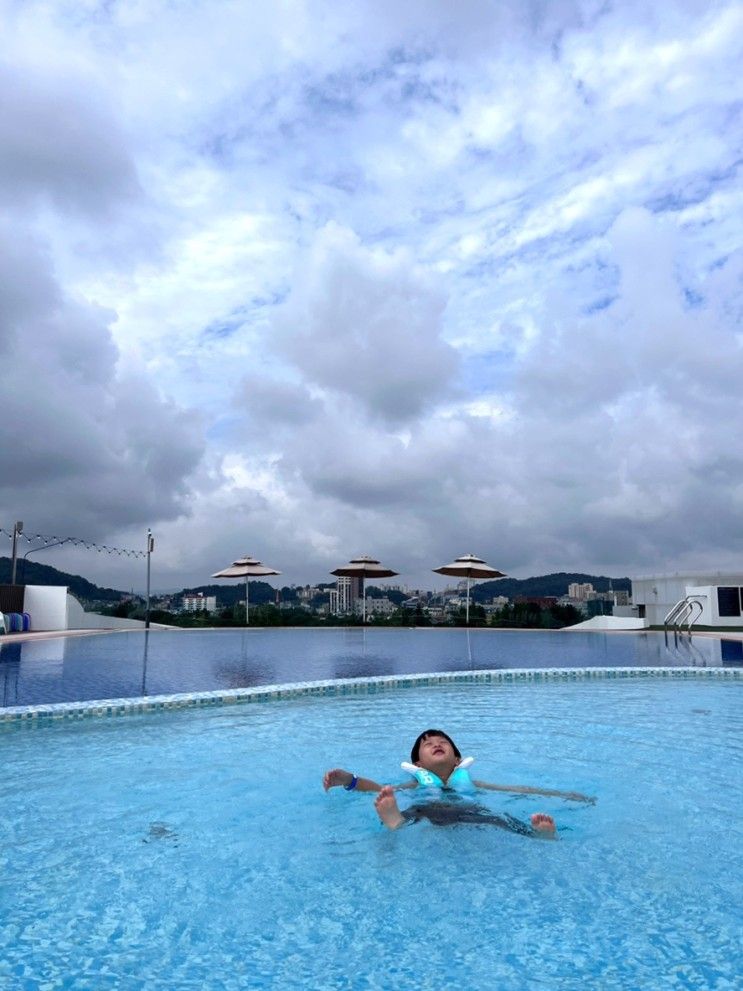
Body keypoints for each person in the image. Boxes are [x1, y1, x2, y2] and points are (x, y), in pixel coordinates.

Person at [323, 728, 596, 838]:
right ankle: (395, 821)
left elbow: (518, 790)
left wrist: (564, 795)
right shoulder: (415, 785)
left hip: (472, 813)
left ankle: (538, 835)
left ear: (457, 759)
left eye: (443, 743)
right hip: (428, 810)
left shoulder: (471, 782)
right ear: (418, 765)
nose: (437, 744)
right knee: (410, 811)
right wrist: (348, 779)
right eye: (428, 744)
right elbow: (379, 789)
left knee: (501, 818)